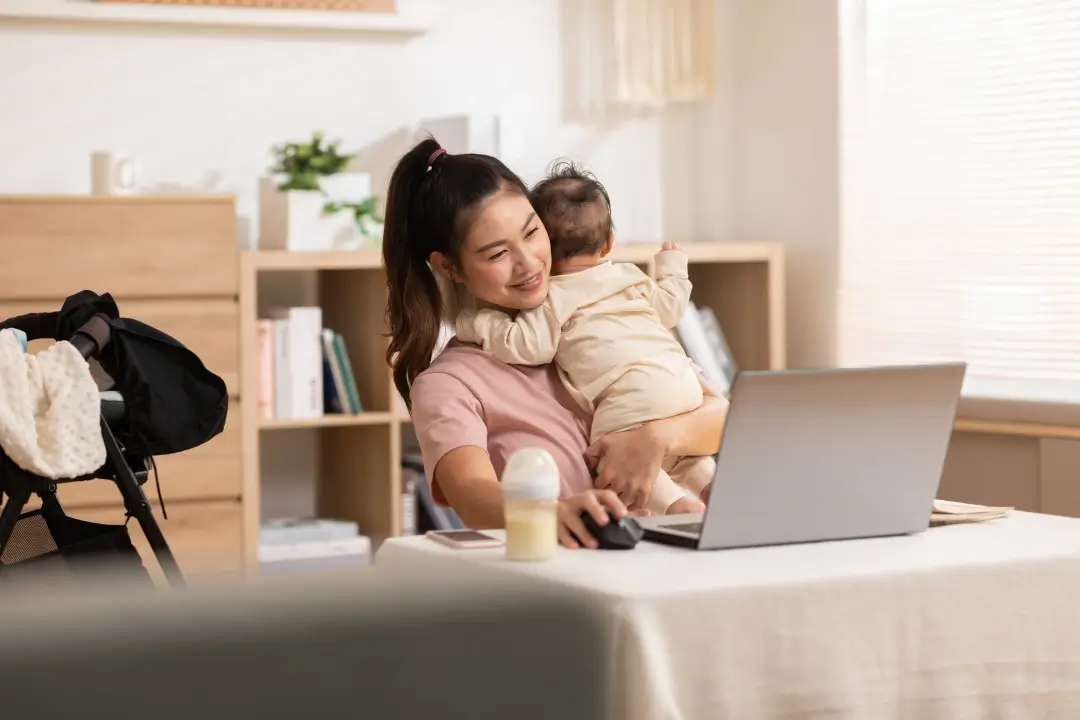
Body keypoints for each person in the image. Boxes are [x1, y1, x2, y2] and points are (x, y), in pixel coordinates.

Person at [381, 137, 727, 549]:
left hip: (662, 561)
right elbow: (472, 492)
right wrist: (547, 515)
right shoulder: (449, 383)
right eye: (497, 254)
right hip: (567, 578)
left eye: (532, 233)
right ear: (449, 267)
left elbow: (720, 415)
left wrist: (655, 440)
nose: (528, 263)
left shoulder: (603, 317)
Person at [454, 162, 715, 517]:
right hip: (681, 382)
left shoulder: (553, 298)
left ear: (543, 242)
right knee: (686, 456)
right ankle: (712, 488)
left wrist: (479, 323)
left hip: (631, 397)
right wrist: (672, 266)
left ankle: (679, 508)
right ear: (608, 244)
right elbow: (669, 307)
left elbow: (530, 346)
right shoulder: (627, 276)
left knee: (615, 457)